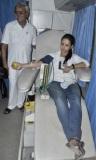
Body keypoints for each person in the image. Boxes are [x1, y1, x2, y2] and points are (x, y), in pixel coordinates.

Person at [13, 34, 89, 159]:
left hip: (71, 84)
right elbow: (37, 64)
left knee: (76, 101)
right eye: (62, 44)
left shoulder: (74, 57)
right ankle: (73, 139)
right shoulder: (52, 56)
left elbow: (85, 63)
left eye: (67, 45)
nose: (64, 47)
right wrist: (22, 65)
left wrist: (72, 67)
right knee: (60, 101)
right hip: (54, 84)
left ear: (71, 47)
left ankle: (73, 141)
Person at [1, 2, 36, 114]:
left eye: (21, 12)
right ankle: (11, 105)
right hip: (13, 63)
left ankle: (20, 104)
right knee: (13, 83)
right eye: (16, 13)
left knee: (23, 84)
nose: (18, 15)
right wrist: (4, 63)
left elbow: (35, 45)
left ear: (27, 13)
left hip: (26, 64)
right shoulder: (9, 26)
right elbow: (4, 46)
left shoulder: (32, 28)